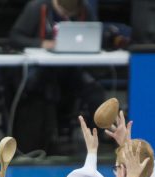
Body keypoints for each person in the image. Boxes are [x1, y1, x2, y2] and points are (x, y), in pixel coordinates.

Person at [8, 0, 105, 153]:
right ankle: (49, 140)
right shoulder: (38, 7)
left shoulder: (85, 9)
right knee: (46, 88)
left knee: (94, 91)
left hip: (74, 70)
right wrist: (42, 43)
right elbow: (15, 37)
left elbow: (95, 36)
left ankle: (99, 140)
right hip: (42, 70)